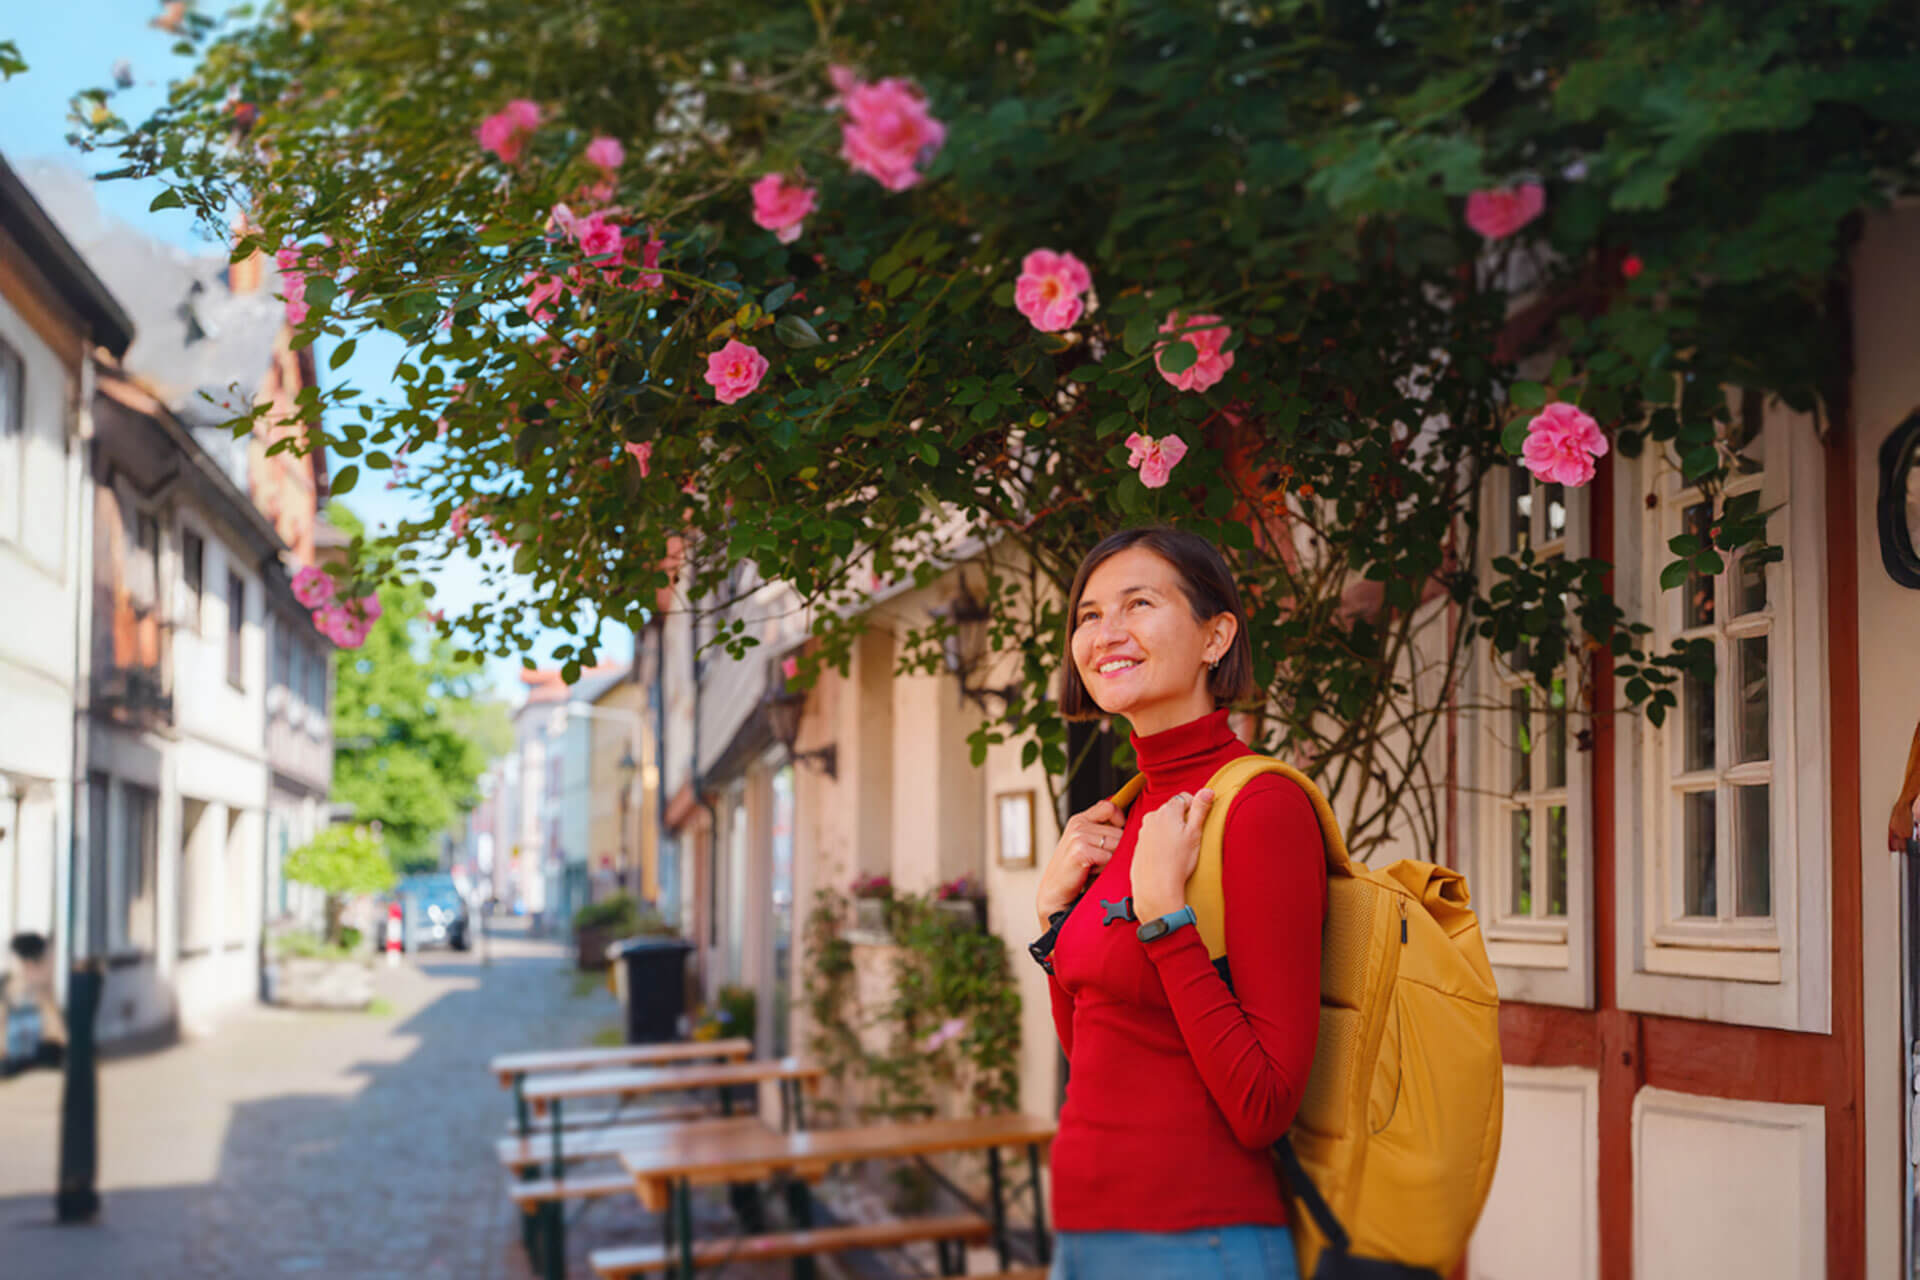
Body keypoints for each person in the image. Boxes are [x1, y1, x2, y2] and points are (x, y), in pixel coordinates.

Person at [1031, 526, 1325, 1280]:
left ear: (1215, 635)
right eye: (1089, 614)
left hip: (1199, 1239)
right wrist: (1052, 925)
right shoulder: (1124, 815)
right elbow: (1102, 1051)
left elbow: (1264, 1105)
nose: (1107, 634)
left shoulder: (1256, 807)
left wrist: (1164, 915)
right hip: (1088, 1232)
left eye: (1139, 604)